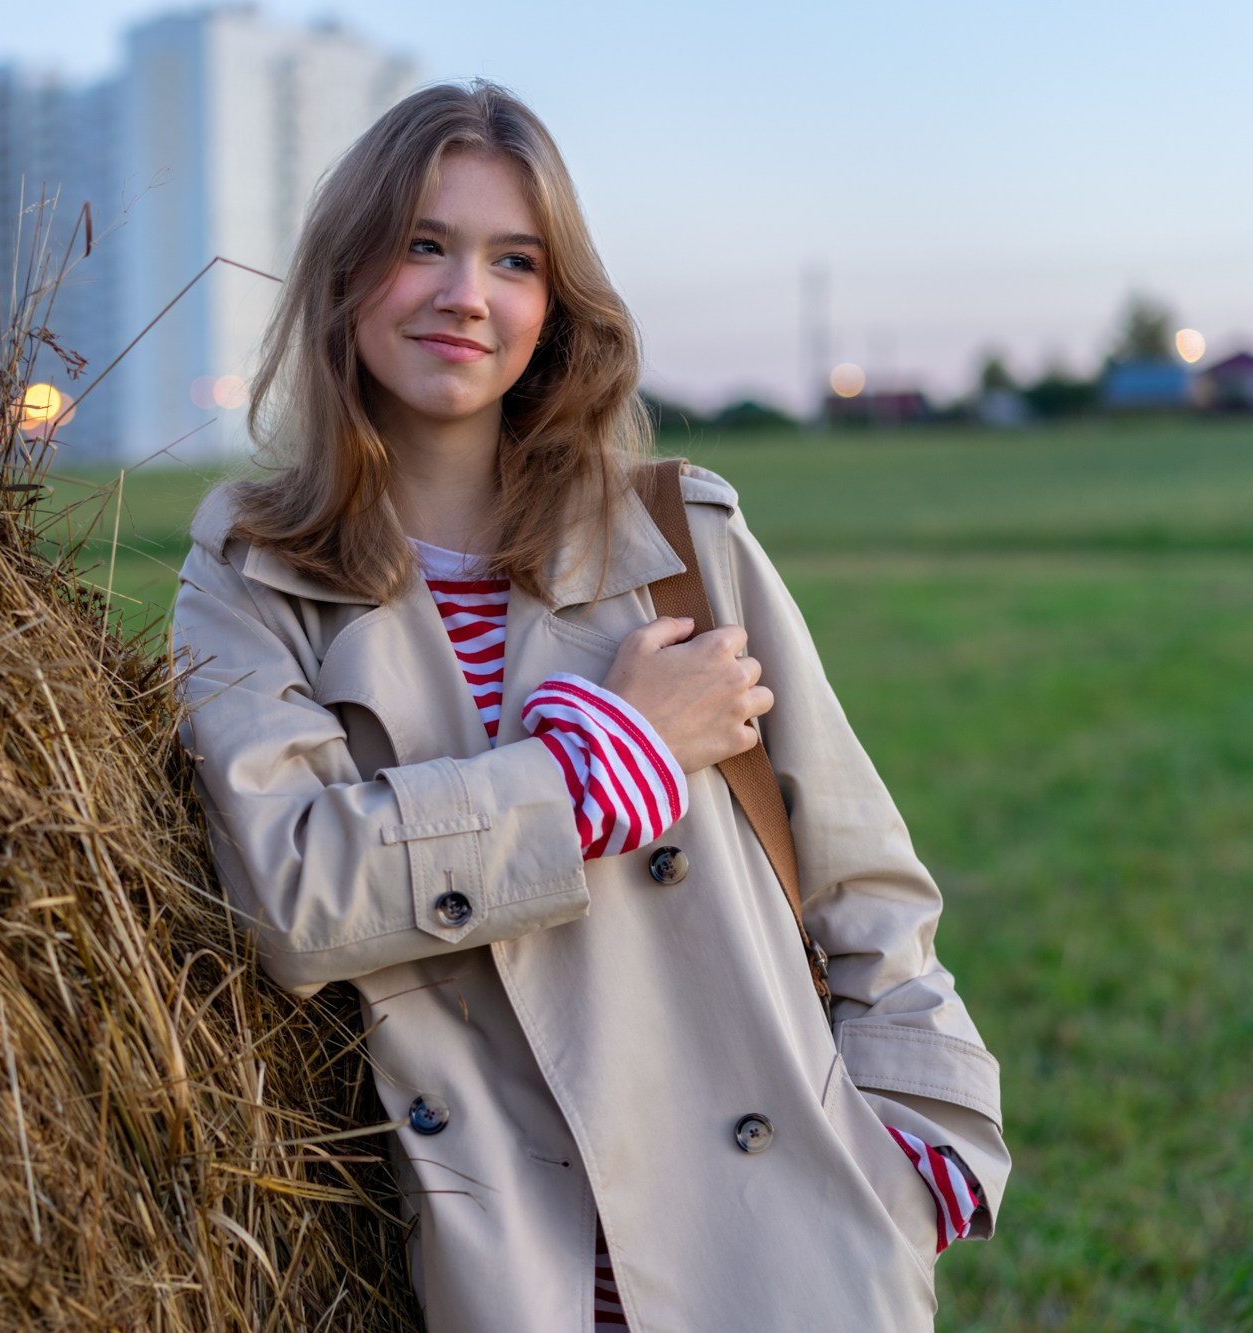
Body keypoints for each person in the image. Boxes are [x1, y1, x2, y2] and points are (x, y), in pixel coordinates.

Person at [171, 81, 1007, 1331]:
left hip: (779, 1238)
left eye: (514, 261)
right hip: (507, 1260)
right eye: (422, 244)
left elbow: (861, 875)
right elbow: (293, 897)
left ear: (553, 310)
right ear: (344, 274)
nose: (467, 294)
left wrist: (926, 1144)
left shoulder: (679, 537)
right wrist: (603, 764)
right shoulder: (252, 572)